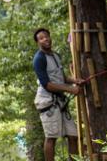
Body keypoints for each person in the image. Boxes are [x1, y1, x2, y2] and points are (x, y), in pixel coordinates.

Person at [32, 27, 81, 161]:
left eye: (46, 36)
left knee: (73, 135)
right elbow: (47, 84)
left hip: (60, 100)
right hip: (48, 101)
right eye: (41, 38)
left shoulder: (55, 56)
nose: (45, 39)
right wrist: (69, 89)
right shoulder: (39, 59)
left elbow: (62, 77)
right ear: (38, 42)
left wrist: (75, 81)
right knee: (51, 137)